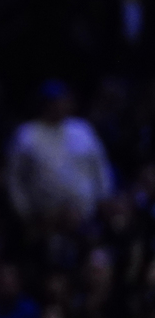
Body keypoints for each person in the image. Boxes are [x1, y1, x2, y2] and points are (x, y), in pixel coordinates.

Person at [7, 80, 114, 224]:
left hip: (87, 215)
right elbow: (15, 178)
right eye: (54, 102)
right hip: (45, 218)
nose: (60, 105)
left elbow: (100, 165)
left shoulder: (82, 129)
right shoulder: (27, 134)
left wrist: (105, 197)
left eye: (63, 100)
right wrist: (23, 212)